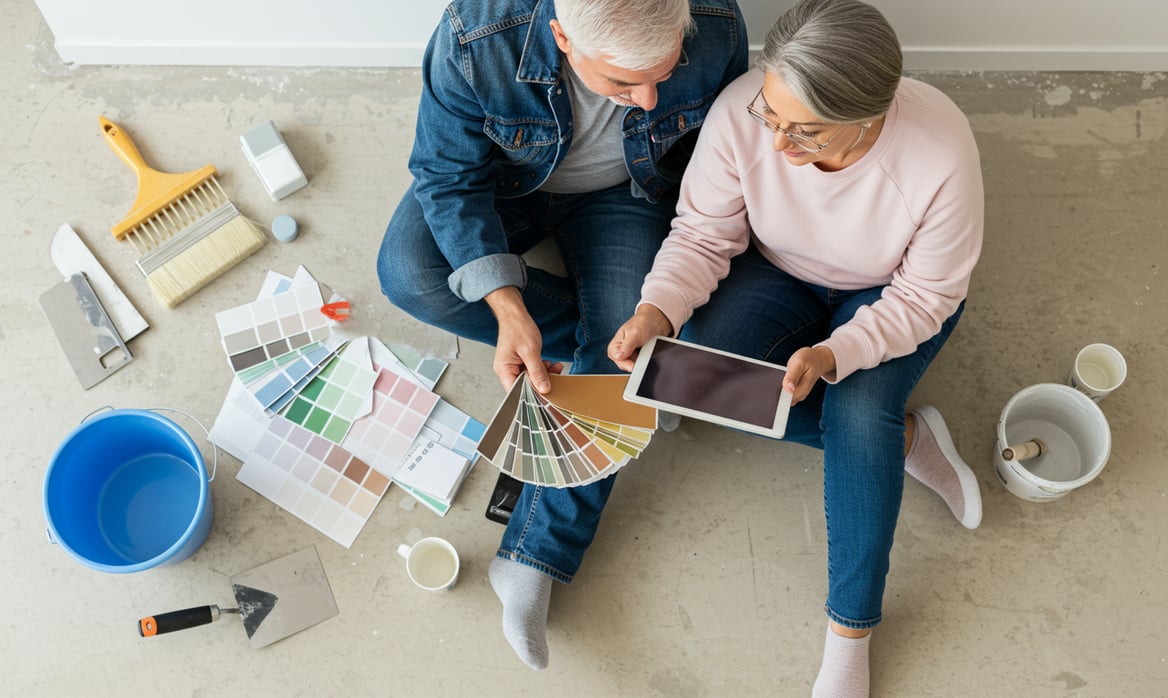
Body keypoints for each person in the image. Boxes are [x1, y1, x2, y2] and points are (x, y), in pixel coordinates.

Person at [607, 0, 985, 694]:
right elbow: (703, 233)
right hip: (777, 270)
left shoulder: (940, 152)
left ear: (867, 116)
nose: (779, 146)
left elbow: (926, 297)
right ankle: (904, 442)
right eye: (771, 117)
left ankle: (850, 632)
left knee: (857, 414)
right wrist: (658, 311)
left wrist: (837, 354)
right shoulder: (741, 110)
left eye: (804, 132)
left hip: (891, 295)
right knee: (697, 376)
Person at [376, 0, 747, 671]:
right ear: (562, 37)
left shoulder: (715, 21)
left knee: (622, 348)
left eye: (663, 75)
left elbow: (720, 158)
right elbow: (447, 177)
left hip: (628, 195)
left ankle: (533, 557)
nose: (649, 100)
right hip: (504, 185)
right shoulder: (476, 33)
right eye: (624, 82)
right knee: (409, 273)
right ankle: (634, 363)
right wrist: (507, 306)